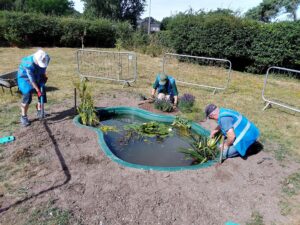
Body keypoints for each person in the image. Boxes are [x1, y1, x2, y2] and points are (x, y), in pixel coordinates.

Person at [17, 49, 50, 126]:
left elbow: (44, 68)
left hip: (38, 74)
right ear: (36, 60)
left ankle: (39, 110)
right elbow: (31, 79)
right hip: (24, 77)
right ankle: (23, 116)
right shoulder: (28, 64)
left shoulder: (46, 58)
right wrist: (38, 90)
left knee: (43, 92)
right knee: (27, 95)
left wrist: (43, 76)